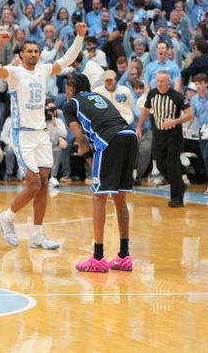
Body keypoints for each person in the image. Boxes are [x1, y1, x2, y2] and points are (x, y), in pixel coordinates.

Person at [0, 23, 87, 249]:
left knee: (43, 185)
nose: (33, 54)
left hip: (41, 134)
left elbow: (67, 60)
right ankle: (6, 218)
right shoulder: (14, 73)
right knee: (33, 184)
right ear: (21, 54)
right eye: (29, 51)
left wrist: (79, 37)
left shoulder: (43, 70)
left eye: (36, 51)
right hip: (22, 135)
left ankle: (37, 235)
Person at [63, 73, 137, 273]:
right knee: (120, 199)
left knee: (99, 197)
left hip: (109, 140)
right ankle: (124, 256)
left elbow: (79, 137)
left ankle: (97, 258)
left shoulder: (70, 104)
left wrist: (87, 157)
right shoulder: (100, 97)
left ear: (71, 89)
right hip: (129, 136)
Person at [136, 70, 193, 207]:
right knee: (160, 164)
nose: (159, 84)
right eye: (157, 81)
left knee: (172, 164)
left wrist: (174, 121)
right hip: (158, 134)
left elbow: (189, 114)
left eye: (162, 81)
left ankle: (177, 199)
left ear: (169, 82)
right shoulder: (152, 94)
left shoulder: (177, 96)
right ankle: (179, 185)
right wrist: (138, 126)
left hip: (174, 134)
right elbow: (145, 111)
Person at [190, 73, 208, 194]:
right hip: (202, 131)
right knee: (206, 157)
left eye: (201, 83)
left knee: (207, 156)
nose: (199, 86)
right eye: (197, 84)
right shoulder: (194, 99)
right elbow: (192, 115)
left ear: (206, 84)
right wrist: (186, 128)